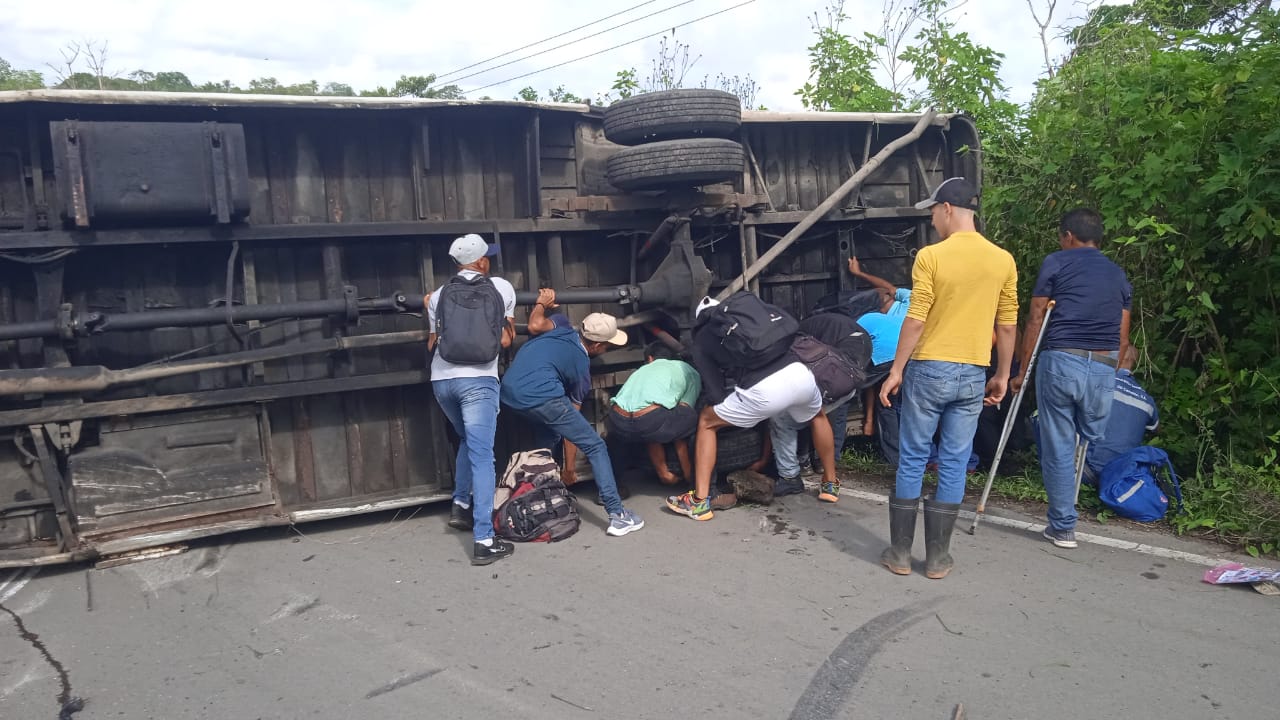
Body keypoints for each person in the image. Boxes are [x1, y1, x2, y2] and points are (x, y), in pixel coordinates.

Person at [878, 177, 1018, 580]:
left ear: (948, 209)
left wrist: (896, 370)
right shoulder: (1002, 260)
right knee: (955, 461)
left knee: (914, 457)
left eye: (933, 211)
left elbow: (917, 317)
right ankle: (938, 558)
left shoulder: (931, 256)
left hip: (929, 369)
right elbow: (1007, 325)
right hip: (974, 372)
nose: (932, 219)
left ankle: (901, 554)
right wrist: (1003, 374)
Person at [1014, 208, 1132, 549]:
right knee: (1088, 435)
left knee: (1059, 444)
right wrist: (1113, 368)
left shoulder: (1057, 262)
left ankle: (1064, 526)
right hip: (1103, 364)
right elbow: (1123, 334)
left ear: (1068, 235)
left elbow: (1036, 317)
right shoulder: (1118, 274)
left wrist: (1023, 372)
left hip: (1062, 358)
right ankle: (1083, 484)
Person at [667, 297, 840, 520]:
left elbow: (716, 393)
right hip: (799, 373)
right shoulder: (754, 316)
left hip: (763, 390)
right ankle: (830, 484)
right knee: (818, 416)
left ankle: (699, 502)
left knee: (706, 422)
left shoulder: (702, 338)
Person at [499, 311, 645, 537]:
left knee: (548, 436)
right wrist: (570, 468)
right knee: (595, 446)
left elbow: (536, 324)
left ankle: (543, 499)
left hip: (508, 394)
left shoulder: (561, 325)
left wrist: (540, 304)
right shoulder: (581, 368)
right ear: (596, 346)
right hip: (542, 395)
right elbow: (573, 430)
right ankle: (617, 515)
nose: (606, 350)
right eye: (607, 346)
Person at [428, 233, 517, 566]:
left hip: (442, 382)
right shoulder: (500, 288)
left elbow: (431, 344)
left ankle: (460, 506)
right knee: (483, 456)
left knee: (467, 439)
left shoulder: (439, 296)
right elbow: (506, 341)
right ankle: (484, 540)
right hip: (479, 381)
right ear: (481, 261)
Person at [771, 312, 871, 495]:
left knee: (784, 418)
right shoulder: (814, 329)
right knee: (827, 414)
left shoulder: (795, 338)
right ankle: (826, 471)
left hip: (838, 370)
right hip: (857, 361)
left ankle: (792, 474)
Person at [605, 341, 700, 486]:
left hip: (617, 421)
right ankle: (690, 476)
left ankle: (662, 475)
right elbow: (684, 410)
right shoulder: (687, 370)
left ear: (650, 358)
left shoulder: (641, 370)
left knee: (654, 419)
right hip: (650, 422)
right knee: (689, 417)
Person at [848, 257, 912, 462]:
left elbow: (888, 288)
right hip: (915, 360)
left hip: (892, 362)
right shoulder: (909, 304)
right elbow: (889, 288)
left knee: (888, 405)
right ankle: (917, 456)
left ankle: (895, 458)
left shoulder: (871, 320)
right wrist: (860, 274)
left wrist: (860, 275)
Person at [1083, 347, 1158, 481]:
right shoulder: (1147, 400)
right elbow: (1155, 429)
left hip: (1085, 469)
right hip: (1118, 477)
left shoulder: (1098, 382)